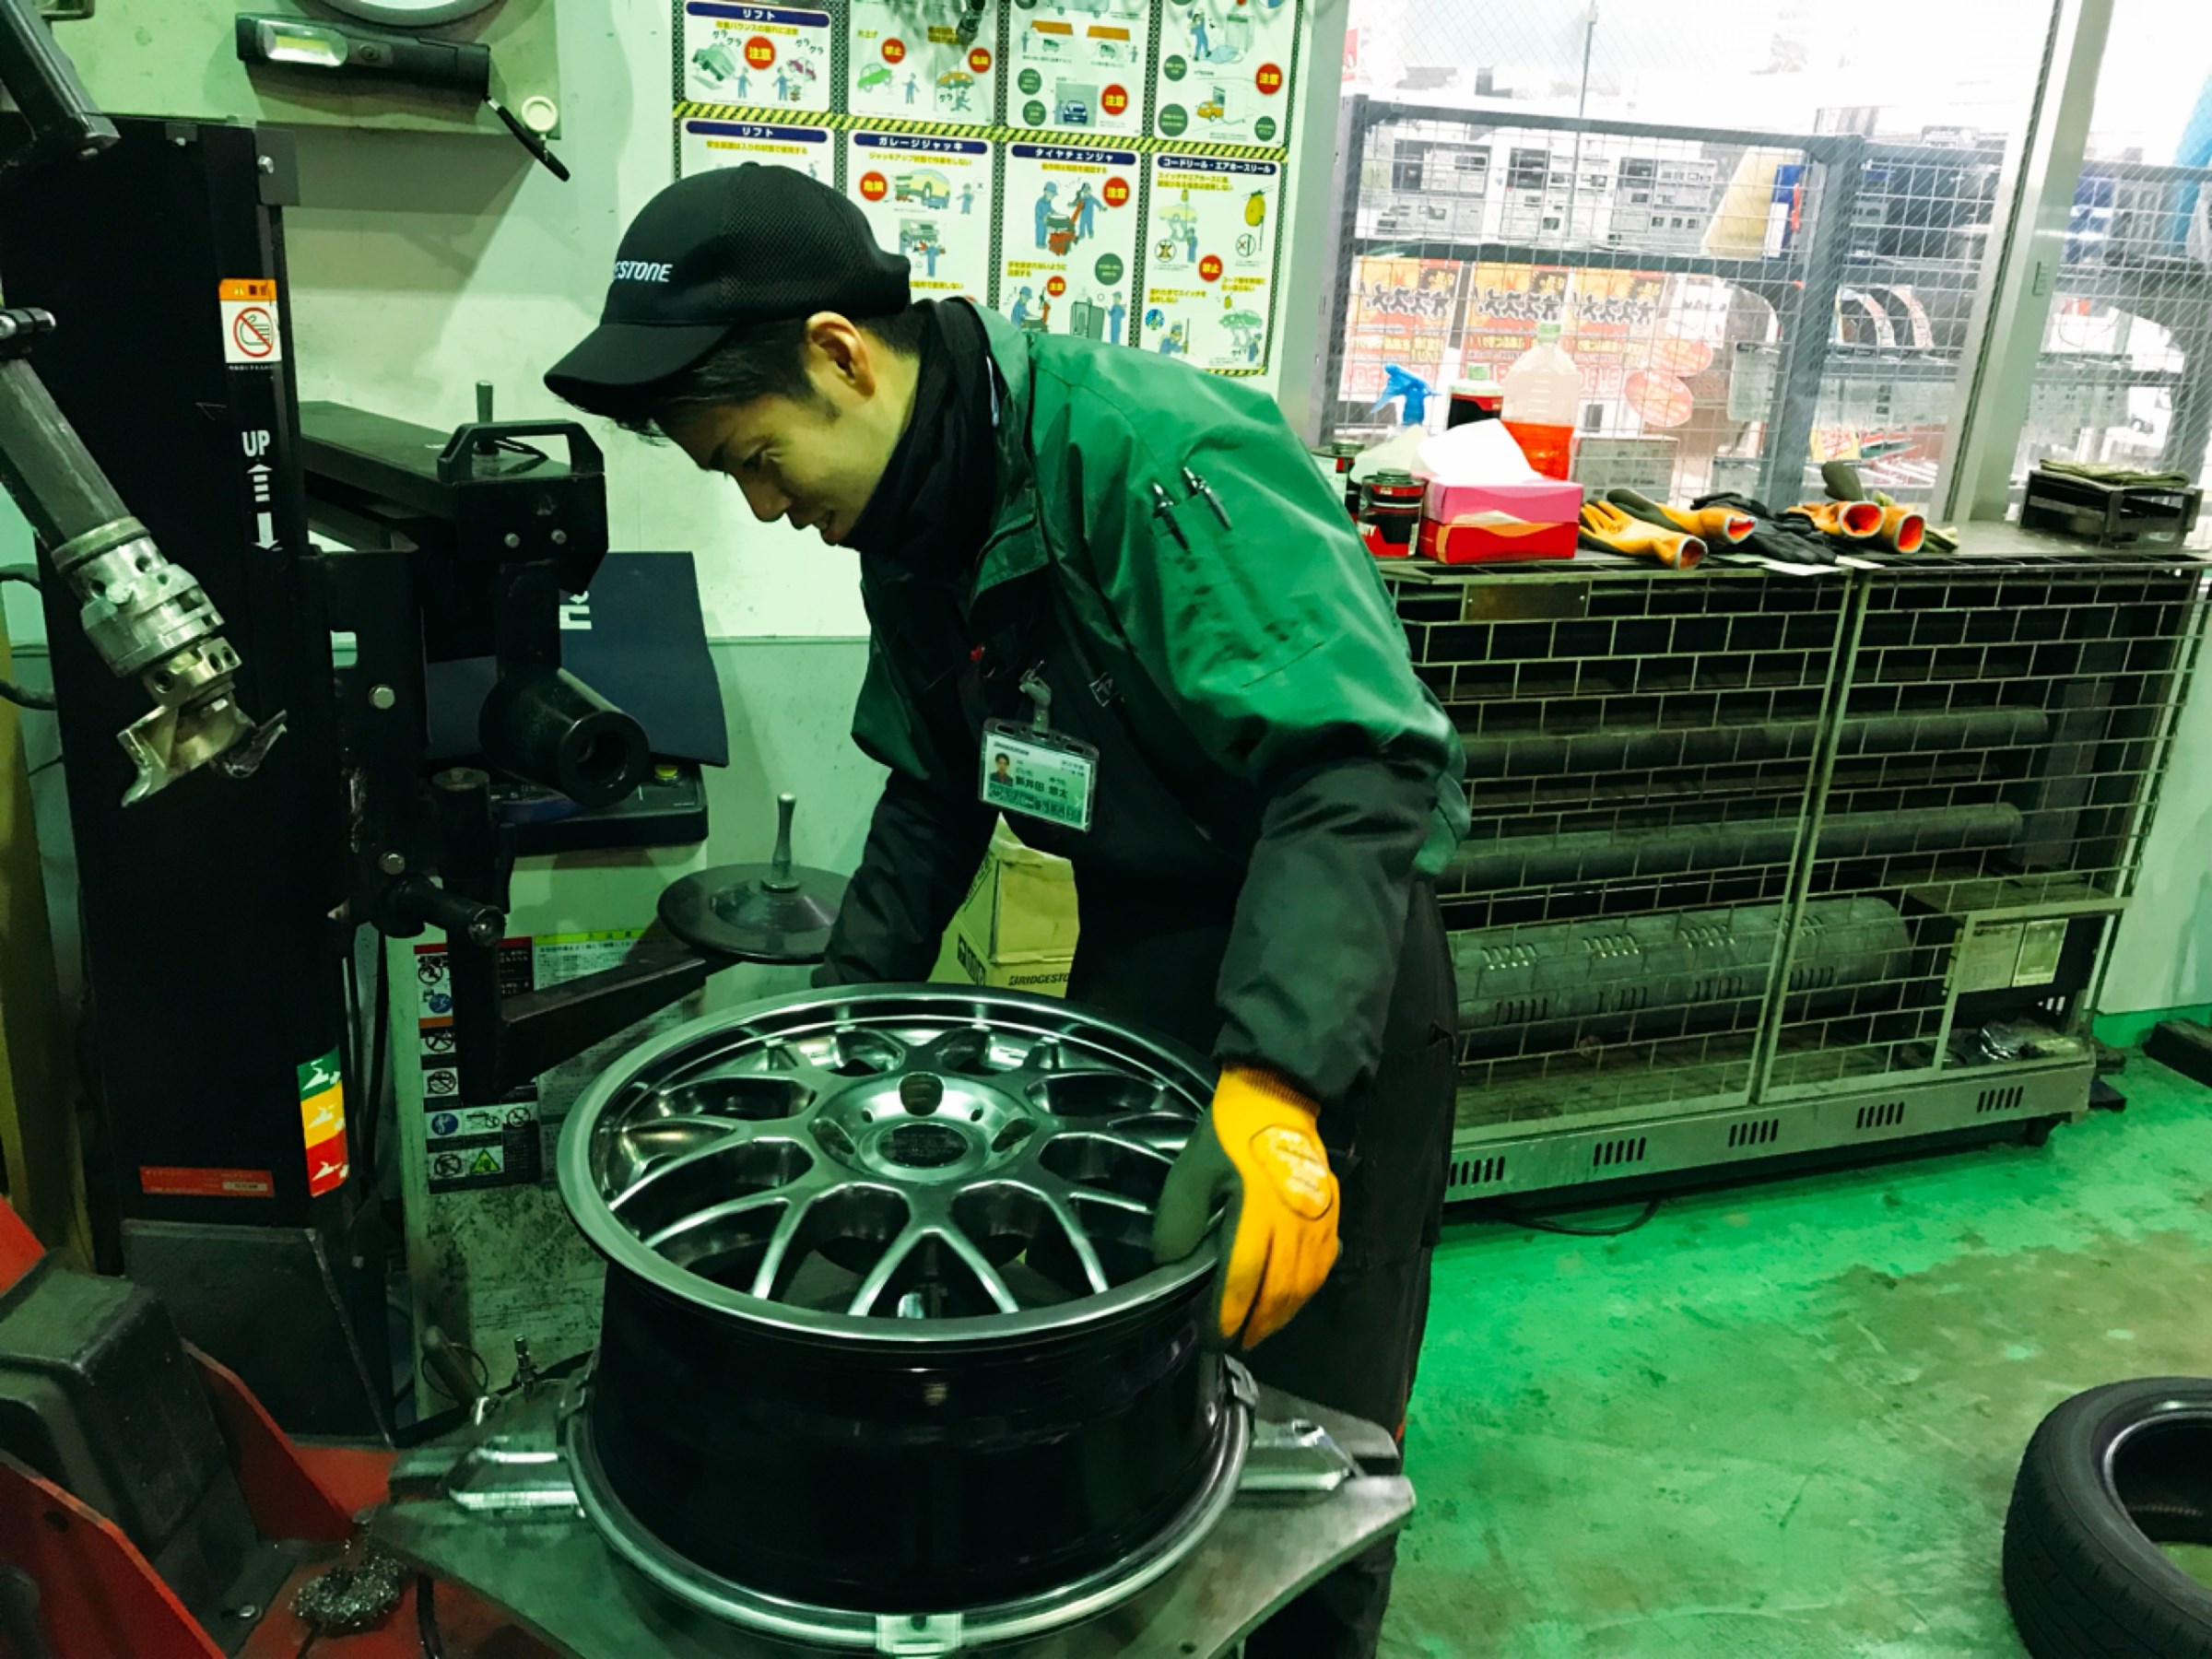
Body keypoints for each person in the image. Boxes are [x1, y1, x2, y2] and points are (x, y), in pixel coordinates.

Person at [544, 164, 1465, 1659]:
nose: (770, 510)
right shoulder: (916, 513)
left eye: (760, 459)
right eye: (734, 482)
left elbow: (1358, 767)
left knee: (1309, 1421)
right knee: (1113, 1385)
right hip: (1138, 952)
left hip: (1323, 957)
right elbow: (934, 789)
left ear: (841, 355)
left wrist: (1282, 1089)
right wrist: (827, 1040)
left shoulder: (1159, 462)